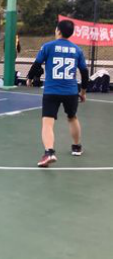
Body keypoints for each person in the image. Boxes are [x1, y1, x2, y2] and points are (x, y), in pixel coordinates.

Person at [26, 20, 89, 168]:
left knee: (47, 122)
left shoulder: (48, 46)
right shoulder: (77, 50)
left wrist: (29, 78)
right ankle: (76, 147)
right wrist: (83, 92)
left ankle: (49, 152)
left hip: (51, 91)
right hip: (71, 91)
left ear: (58, 31)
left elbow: (36, 64)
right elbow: (84, 72)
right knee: (72, 117)